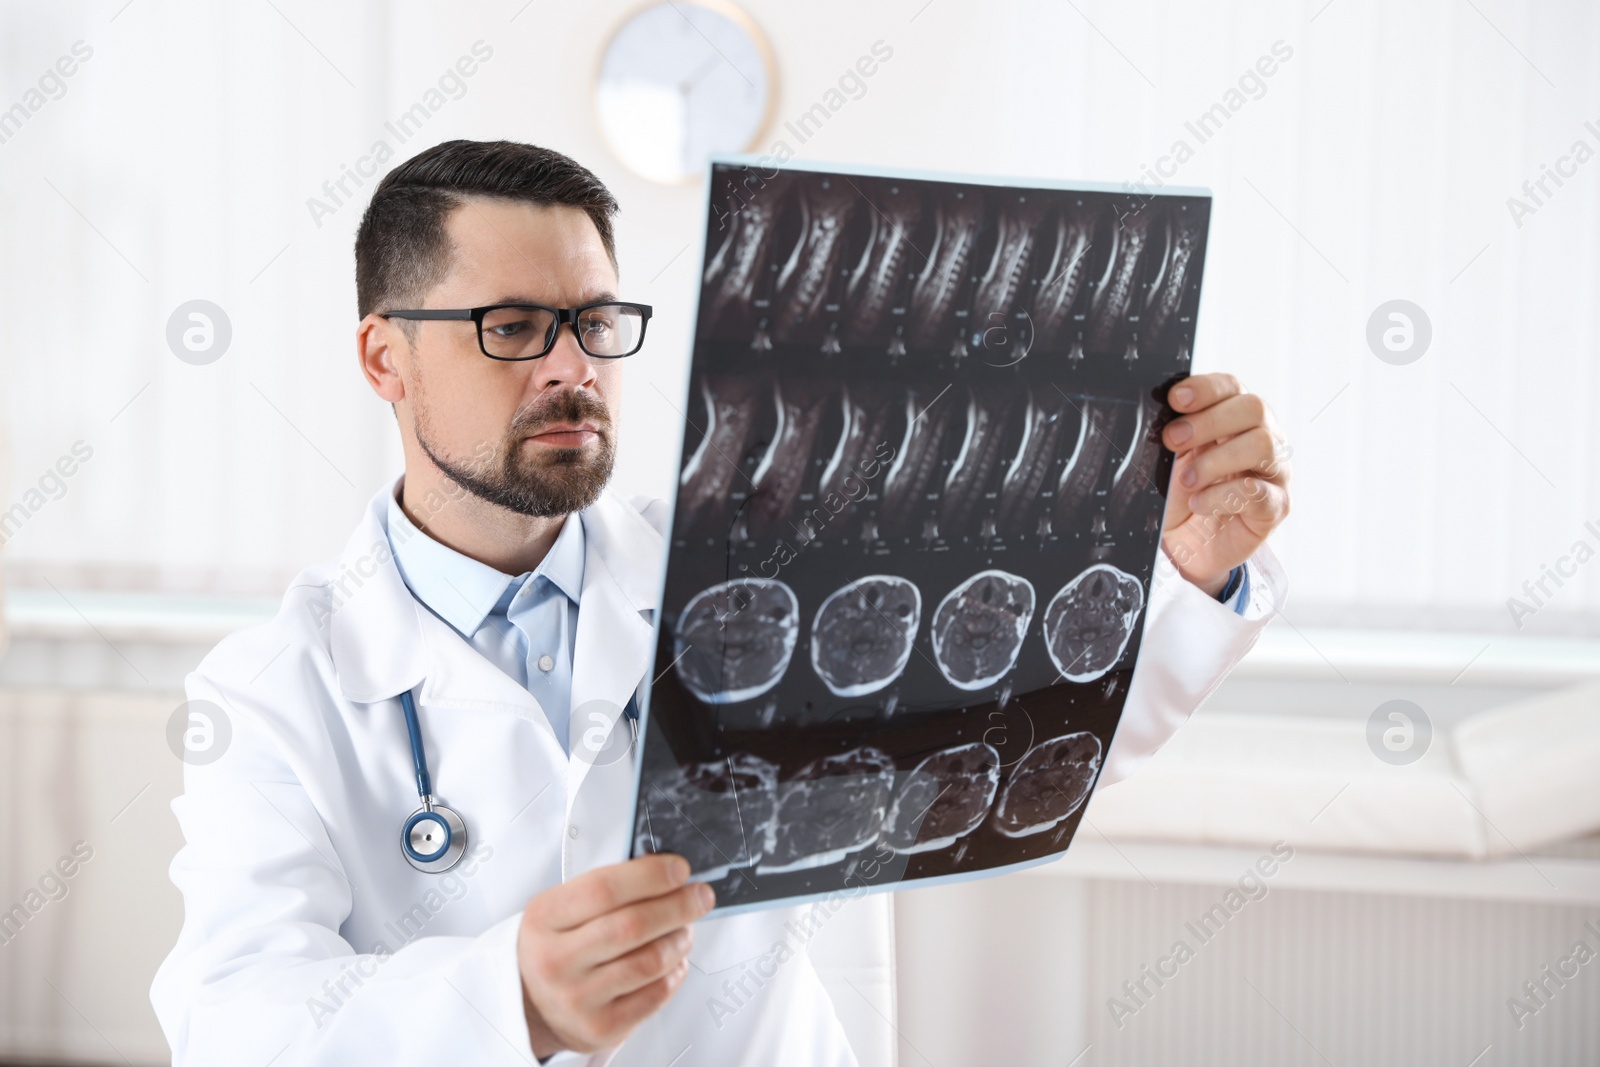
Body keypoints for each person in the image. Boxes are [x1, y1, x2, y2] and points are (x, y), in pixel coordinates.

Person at [150, 139, 1291, 1066]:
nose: (572, 368)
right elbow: (232, 1017)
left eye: (595, 321)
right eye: (511, 326)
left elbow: (1019, 740)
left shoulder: (755, 576)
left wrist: (1187, 566)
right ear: (382, 358)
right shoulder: (273, 691)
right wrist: (506, 1001)